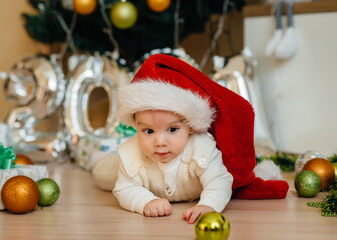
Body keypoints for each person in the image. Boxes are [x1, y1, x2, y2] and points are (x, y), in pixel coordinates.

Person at [93, 53, 289, 223]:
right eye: (149, 131)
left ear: (190, 127)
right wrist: (145, 201)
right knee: (104, 175)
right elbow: (124, 189)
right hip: (121, 169)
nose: (160, 141)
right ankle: (94, 159)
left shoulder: (202, 148)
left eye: (172, 130)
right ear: (136, 126)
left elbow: (220, 180)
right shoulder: (131, 154)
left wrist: (209, 204)